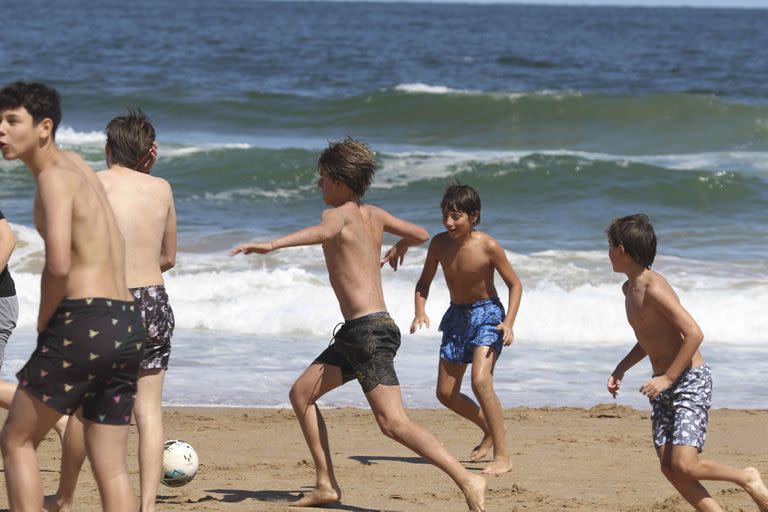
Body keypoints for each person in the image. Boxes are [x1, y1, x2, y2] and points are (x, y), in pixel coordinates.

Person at [230, 138, 487, 511]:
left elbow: (324, 233)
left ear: (338, 179)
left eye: (323, 178)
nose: (319, 185)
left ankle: (468, 479)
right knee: (302, 394)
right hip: (365, 331)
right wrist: (400, 247)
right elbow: (419, 233)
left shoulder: (337, 214)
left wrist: (271, 245)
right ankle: (326, 484)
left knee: (393, 424)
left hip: (366, 333)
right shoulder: (375, 214)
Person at [0, 81, 144, 512]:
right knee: (112, 467)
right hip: (125, 321)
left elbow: (59, 264)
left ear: (44, 128)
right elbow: (113, 240)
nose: (1, 131)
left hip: (84, 319)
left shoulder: (53, 178)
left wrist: (47, 324)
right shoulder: (80, 166)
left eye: (12, 121)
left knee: (17, 439)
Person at [45, 109, 176, 512]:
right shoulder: (161, 188)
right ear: (149, 154)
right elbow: (168, 256)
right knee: (148, 411)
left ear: (106, 148)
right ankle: (148, 506)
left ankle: (65, 499)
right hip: (153, 301)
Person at [606, 214, 768, 512]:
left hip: (689, 379)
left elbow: (694, 333)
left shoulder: (655, 287)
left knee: (685, 463)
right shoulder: (629, 290)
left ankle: (747, 477)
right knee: (670, 466)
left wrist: (668, 378)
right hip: (663, 385)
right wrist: (621, 368)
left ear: (621, 250)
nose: (607, 254)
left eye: (609, 247)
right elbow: (648, 339)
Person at [410, 183, 522, 475]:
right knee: (445, 393)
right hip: (457, 317)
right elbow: (423, 283)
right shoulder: (438, 244)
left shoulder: (488, 245)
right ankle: (490, 427)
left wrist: (508, 322)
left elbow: (515, 284)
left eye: (456, 216)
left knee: (480, 382)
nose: (449, 222)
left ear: (474, 216)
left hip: (488, 315)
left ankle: (503, 456)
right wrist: (419, 310)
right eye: (446, 216)